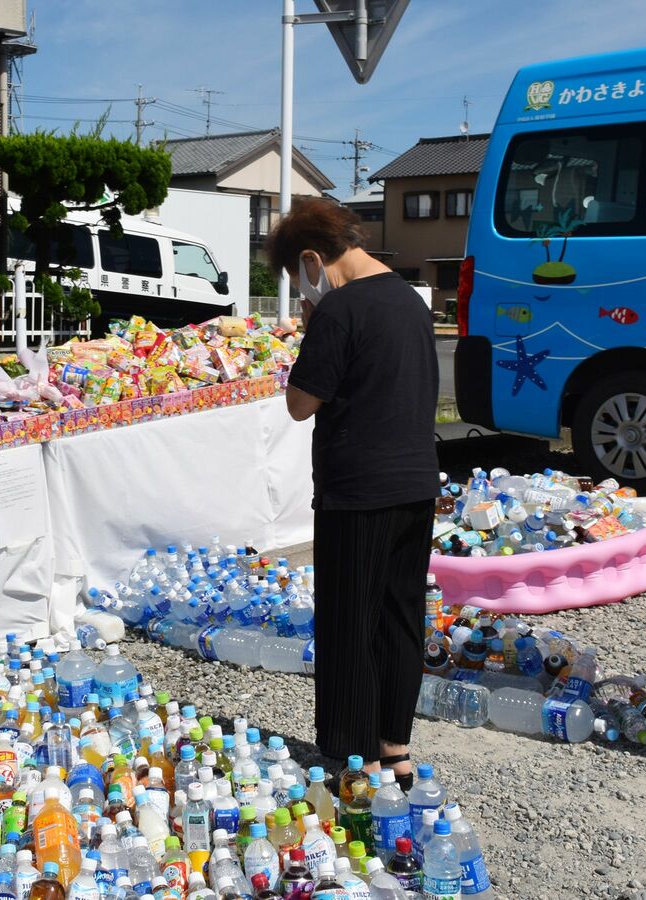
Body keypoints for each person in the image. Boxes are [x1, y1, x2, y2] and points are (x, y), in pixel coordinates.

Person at [266, 197, 440, 790]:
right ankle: (397, 747)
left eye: (299, 277)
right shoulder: (410, 301)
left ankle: (354, 754)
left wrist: (313, 332)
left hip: (357, 488)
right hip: (417, 481)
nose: (305, 289)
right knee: (399, 615)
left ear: (313, 258)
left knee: (348, 620)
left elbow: (299, 404)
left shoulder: (339, 310)